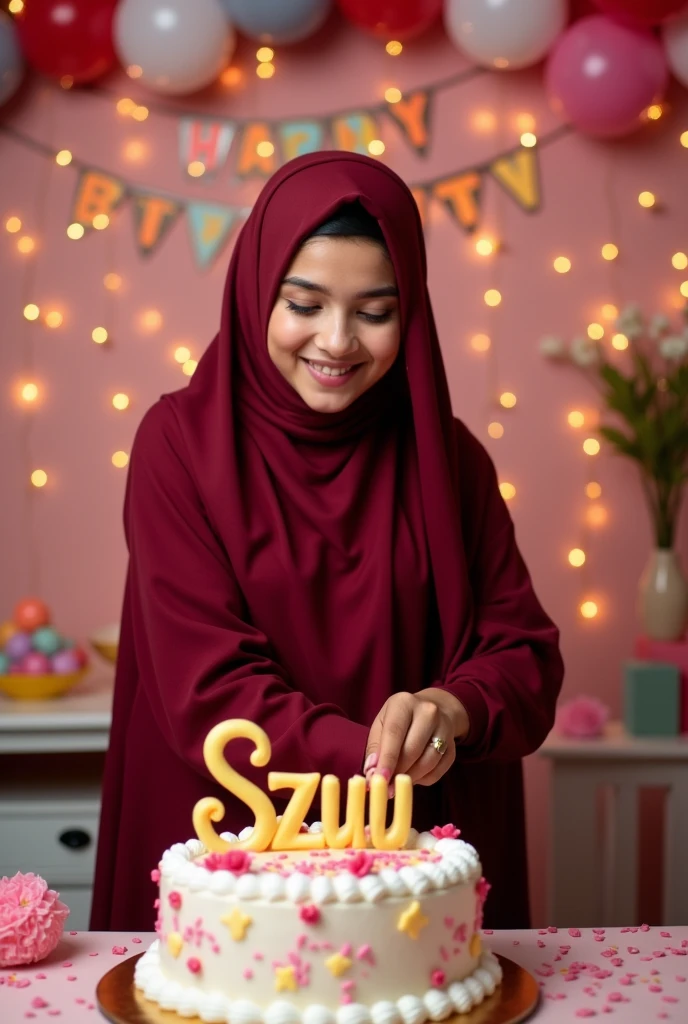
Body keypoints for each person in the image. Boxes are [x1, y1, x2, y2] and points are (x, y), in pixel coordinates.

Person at [91, 151, 564, 932]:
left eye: (374, 313)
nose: (337, 342)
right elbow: (207, 692)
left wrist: (452, 709)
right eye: (304, 303)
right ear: (254, 294)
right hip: (227, 853)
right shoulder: (178, 444)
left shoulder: (450, 459)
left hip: (407, 867)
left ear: (409, 313)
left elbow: (525, 658)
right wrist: (379, 759)